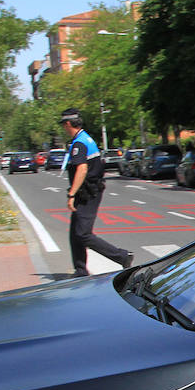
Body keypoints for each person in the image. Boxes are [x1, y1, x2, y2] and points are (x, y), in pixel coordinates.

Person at [60, 108, 132, 277]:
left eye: (64, 125)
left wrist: (71, 194)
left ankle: (122, 256)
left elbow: (82, 169)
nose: (63, 128)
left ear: (69, 123)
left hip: (87, 193)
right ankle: (80, 270)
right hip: (88, 191)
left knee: (82, 234)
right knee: (74, 233)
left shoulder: (79, 143)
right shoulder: (85, 139)